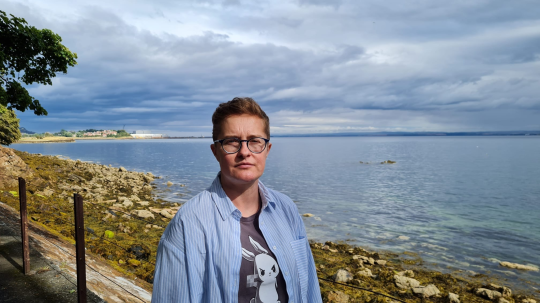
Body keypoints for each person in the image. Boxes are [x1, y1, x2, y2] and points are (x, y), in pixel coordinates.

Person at [152, 97, 322, 303]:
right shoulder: (189, 223)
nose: (244, 152)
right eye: (232, 142)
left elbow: (309, 288)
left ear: (267, 150)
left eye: (255, 141)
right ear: (216, 152)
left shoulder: (286, 210)